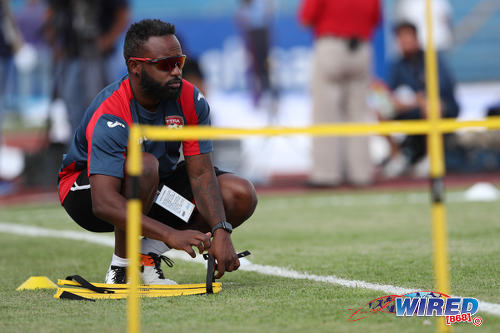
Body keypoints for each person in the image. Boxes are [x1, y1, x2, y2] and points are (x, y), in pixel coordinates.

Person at [57, 19, 258, 284]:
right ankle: (121, 267)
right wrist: (170, 234)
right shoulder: (111, 111)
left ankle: (146, 256)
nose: (176, 71)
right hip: (89, 194)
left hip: (155, 187)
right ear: (135, 67)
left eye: (179, 62)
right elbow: (104, 202)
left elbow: (200, 174)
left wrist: (221, 230)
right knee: (144, 165)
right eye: (165, 64)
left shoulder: (191, 99)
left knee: (240, 194)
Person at [299, 0, 381, 187]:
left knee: (325, 114)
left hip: (331, 45)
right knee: (358, 115)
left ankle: (325, 174)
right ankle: (360, 174)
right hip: (361, 47)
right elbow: (376, 19)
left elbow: (305, 18)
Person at [44, 0, 130, 142]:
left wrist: (107, 41)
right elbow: (50, 13)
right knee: (73, 106)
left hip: (102, 57)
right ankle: (78, 151)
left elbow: (122, 14)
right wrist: (53, 44)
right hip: (71, 55)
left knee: (105, 104)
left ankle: (108, 148)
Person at [383, 21, 459, 178]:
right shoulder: (398, 65)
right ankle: (397, 158)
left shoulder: (431, 59)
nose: (405, 42)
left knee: (430, 105)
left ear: (416, 38)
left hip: (438, 108)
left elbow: (442, 89)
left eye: (408, 38)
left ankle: (432, 158)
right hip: (410, 109)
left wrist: (418, 99)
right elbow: (392, 92)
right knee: (381, 109)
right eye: (401, 39)